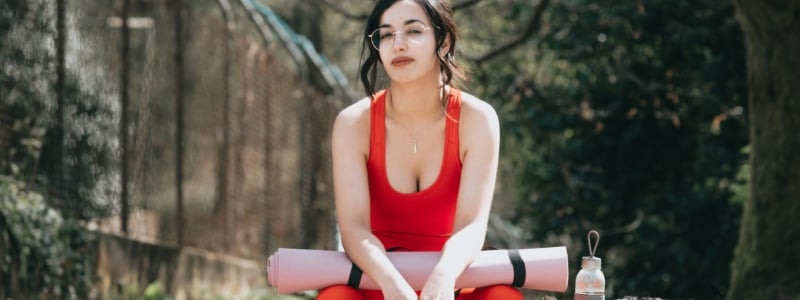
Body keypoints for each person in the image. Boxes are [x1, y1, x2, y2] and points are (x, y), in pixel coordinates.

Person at [319, 0, 523, 299]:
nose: (398, 45)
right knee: (335, 296)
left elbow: (471, 226)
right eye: (386, 35)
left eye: (413, 31)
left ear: (444, 40)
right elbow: (354, 229)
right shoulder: (353, 124)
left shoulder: (478, 119)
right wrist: (393, 285)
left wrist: (442, 279)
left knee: (503, 296)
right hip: (378, 282)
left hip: (451, 279)